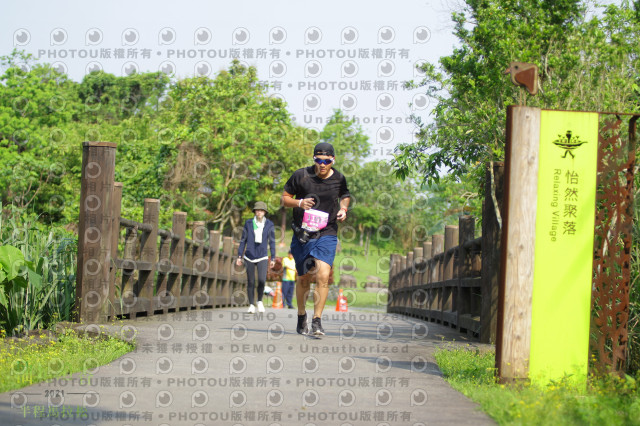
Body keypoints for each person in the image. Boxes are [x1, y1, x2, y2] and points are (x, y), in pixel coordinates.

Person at [281, 142, 350, 335]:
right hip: (302, 233)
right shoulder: (301, 175)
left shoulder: (338, 178)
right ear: (314, 159)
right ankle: (301, 315)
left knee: (323, 273)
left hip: (327, 232)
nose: (322, 164)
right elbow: (284, 198)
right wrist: (299, 202)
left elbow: (345, 195)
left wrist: (343, 209)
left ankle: (317, 320)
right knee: (303, 277)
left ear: (332, 160)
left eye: (326, 161)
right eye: (318, 160)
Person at [236, 201, 276, 313]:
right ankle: (251, 304)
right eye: (257, 210)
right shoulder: (248, 223)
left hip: (262, 255)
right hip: (249, 255)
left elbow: (272, 242)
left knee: (262, 280)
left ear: (264, 212)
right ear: (255, 211)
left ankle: (259, 301)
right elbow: (243, 240)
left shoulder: (269, 224)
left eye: (261, 210)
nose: (259, 212)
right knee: (251, 281)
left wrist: (273, 257)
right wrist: (240, 256)